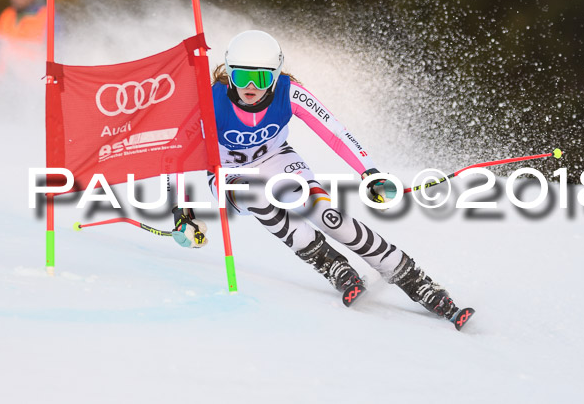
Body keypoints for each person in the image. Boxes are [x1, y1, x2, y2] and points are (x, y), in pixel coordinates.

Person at [173, 30, 460, 321]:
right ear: (228, 72)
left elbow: (335, 133)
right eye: (240, 76)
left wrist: (369, 172)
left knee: (324, 212)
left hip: (275, 159)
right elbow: (175, 154)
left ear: (274, 75)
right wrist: (181, 210)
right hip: (228, 173)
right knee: (256, 195)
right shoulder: (208, 101)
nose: (249, 86)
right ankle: (329, 263)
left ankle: (413, 279)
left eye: (260, 78)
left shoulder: (290, 93)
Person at [0, 0, 47, 77]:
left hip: (34, 82)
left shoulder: (48, 16)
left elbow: (57, 51)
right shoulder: (6, 15)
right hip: (5, 81)